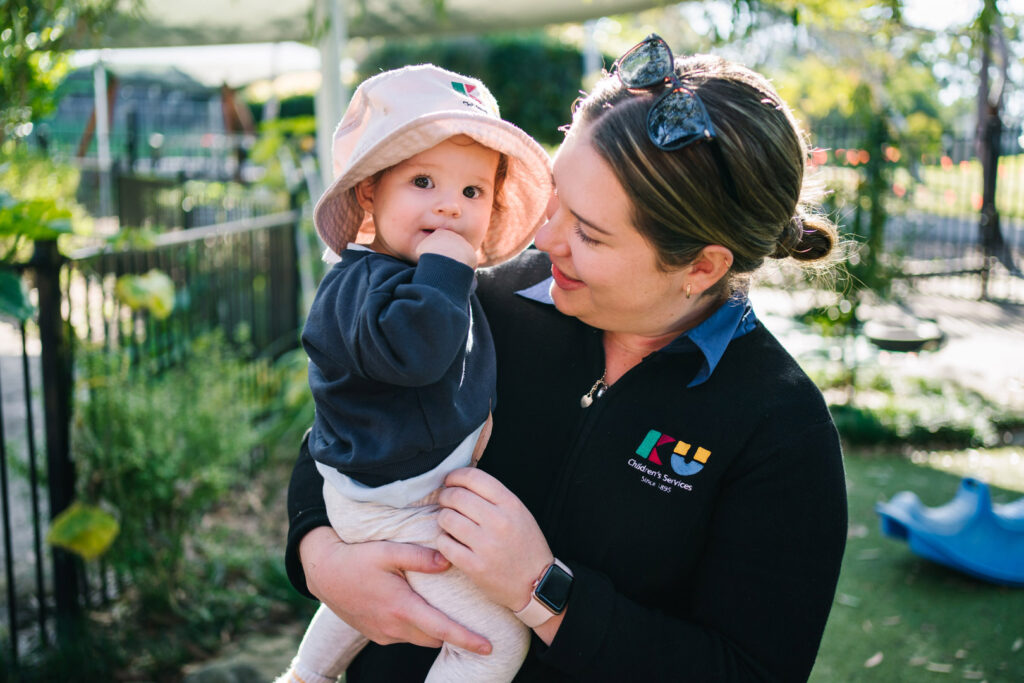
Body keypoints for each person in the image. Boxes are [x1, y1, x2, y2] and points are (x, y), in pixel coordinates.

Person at [285, 35, 848, 682]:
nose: (544, 237)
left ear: (701, 265)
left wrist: (543, 588)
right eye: (554, 201)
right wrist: (322, 556)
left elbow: (750, 669)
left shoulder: (778, 427)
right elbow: (344, 428)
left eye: (588, 231)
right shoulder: (476, 296)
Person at [277, 64, 552, 683]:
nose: (450, 207)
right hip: (390, 498)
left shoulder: (426, 277)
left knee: (377, 584)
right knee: (496, 640)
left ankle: (304, 675)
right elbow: (417, 353)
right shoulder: (360, 285)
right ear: (370, 193)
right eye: (423, 181)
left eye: (474, 193)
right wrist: (449, 269)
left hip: (404, 489)